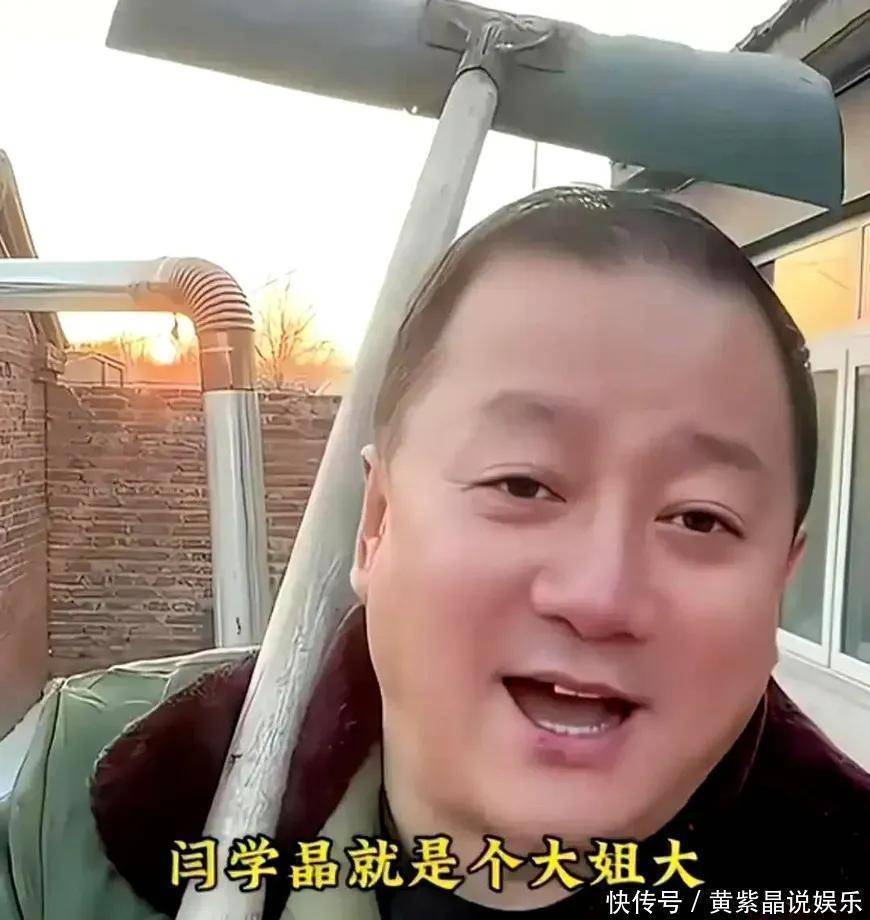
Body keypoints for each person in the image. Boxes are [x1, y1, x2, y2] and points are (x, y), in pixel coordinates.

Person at [1, 186, 868, 920]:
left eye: (700, 520)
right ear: (376, 522)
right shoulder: (67, 820)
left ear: (780, 584)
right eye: (523, 485)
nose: (600, 595)